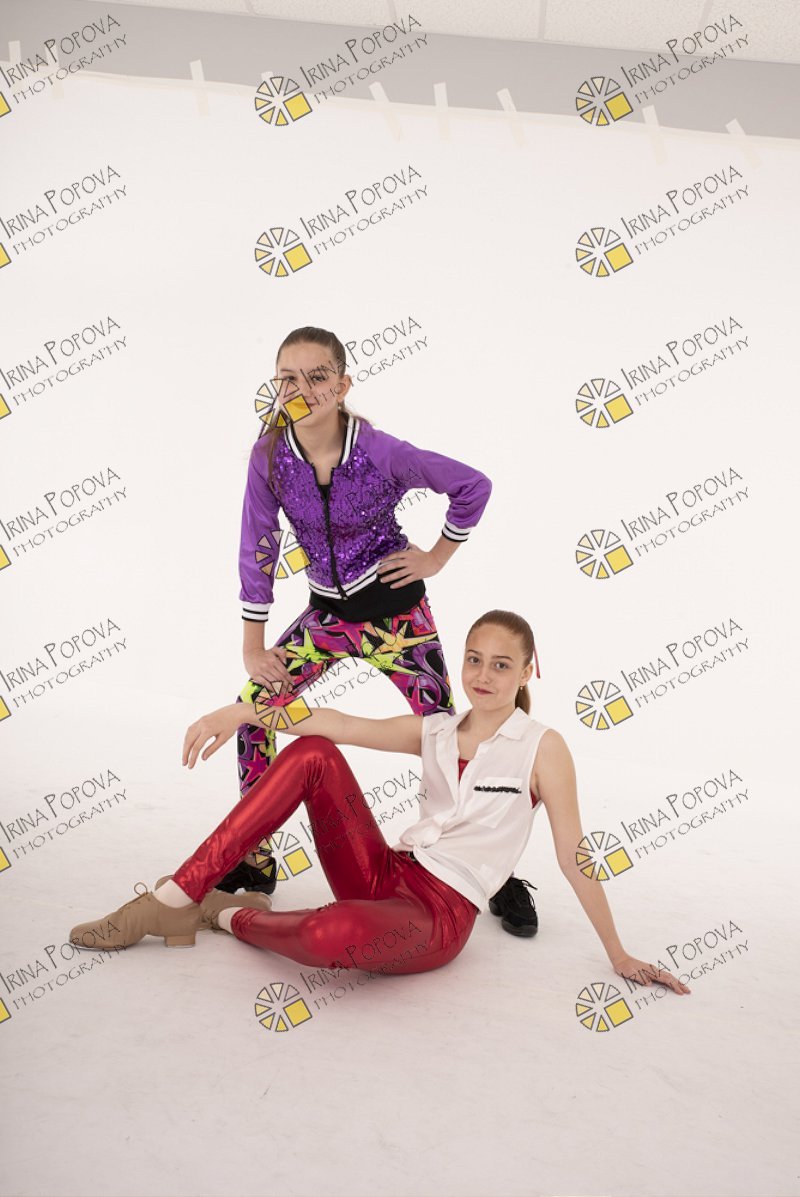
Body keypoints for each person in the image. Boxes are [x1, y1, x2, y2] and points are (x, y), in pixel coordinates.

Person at [68, 611, 690, 999]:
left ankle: (225, 916)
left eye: (502, 665)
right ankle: (175, 897)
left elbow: (574, 857)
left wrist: (618, 953)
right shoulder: (437, 729)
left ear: (529, 671)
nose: (483, 675)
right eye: (474, 660)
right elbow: (338, 722)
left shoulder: (543, 748)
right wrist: (237, 712)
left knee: (329, 934)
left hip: (439, 915)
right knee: (314, 751)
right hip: (385, 871)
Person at [220, 324, 539, 937]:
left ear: (342, 386)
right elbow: (258, 545)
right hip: (327, 619)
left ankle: (494, 873)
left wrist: (436, 557)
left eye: (317, 377)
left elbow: (472, 486)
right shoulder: (270, 458)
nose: (302, 389)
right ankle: (255, 859)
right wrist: (252, 645)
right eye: (288, 378)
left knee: (452, 741)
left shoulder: (379, 450)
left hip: (398, 620)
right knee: (253, 715)